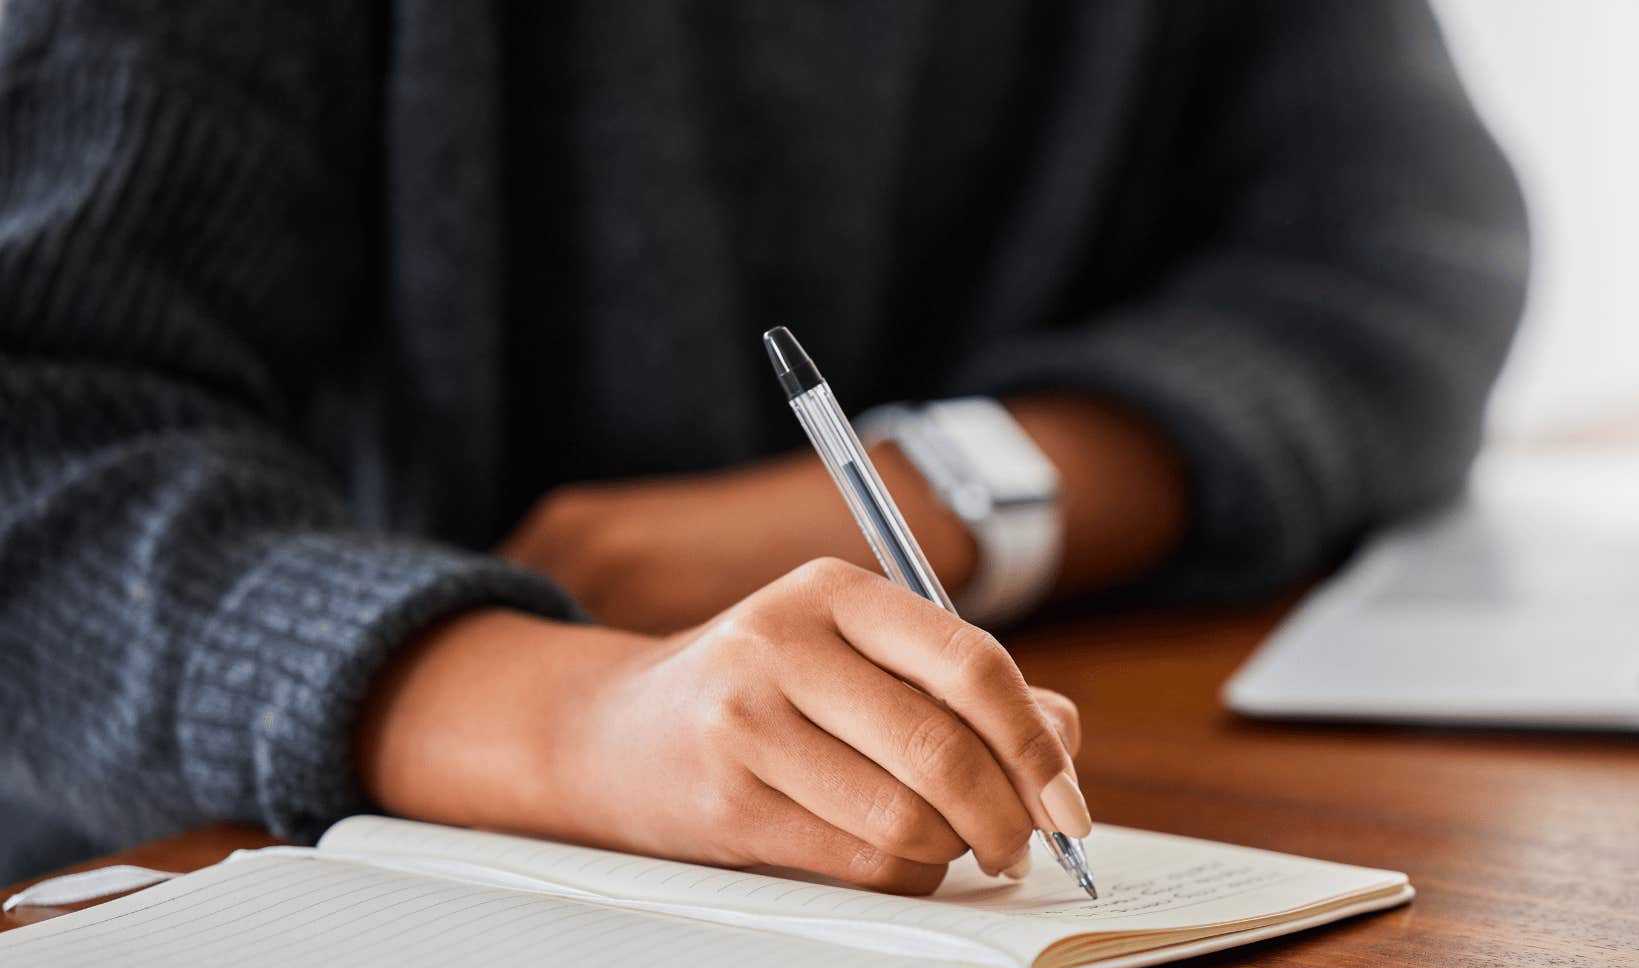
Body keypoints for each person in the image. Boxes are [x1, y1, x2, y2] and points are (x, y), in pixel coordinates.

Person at [0, 1, 1528, 888]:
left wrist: (950, 490)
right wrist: (574, 719)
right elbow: (41, 434)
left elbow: (1403, 259)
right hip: (235, 874)